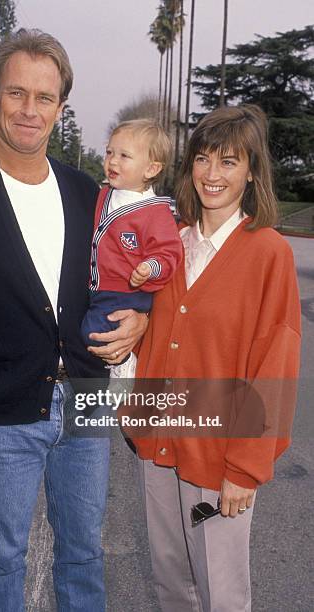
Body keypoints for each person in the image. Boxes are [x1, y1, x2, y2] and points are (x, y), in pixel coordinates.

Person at [0, 29, 147, 612]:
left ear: (61, 108)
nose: (29, 110)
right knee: (0, 555)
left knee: (84, 554)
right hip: (2, 410)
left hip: (87, 402)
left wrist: (138, 323)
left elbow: (121, 284)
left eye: (45, 98)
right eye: (16, 93)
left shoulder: (88, 192)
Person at [128, 105, 301, 612]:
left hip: (218, 459)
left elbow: (276, 362)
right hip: (158, 447)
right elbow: (149, 333)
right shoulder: (170, 242)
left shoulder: (269, 253)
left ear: (251, 171)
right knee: (170, 583)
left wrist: (245, 468)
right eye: (202, 160)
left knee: (220, 592)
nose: (212, 175)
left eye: (228, 162)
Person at [81, 119, 182, 380]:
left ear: (151, 168)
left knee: (94, 331)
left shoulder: (156, 212)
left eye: (124, 156)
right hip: (98, 287)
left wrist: (150, 268)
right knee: (88, 331)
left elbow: (169, 253)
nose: (113, 161)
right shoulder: (104, 195)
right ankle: (113, 367)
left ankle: (125, 365)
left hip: (126, 292)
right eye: (110, 152)